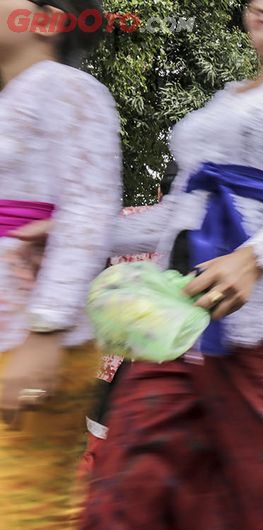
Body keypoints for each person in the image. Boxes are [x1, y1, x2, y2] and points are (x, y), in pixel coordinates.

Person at [82, 3, 263, 529]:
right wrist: (75, 231)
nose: (258, 3)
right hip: (182, 319)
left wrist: (254, 260)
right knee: (126, 491)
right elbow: (174, 212)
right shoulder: (224, 99)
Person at [0, 1, 120, 525]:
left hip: (30, 340)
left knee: (29, 506)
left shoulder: (70, 89)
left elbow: (90, 208)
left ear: (46, 20)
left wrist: (44, 333)